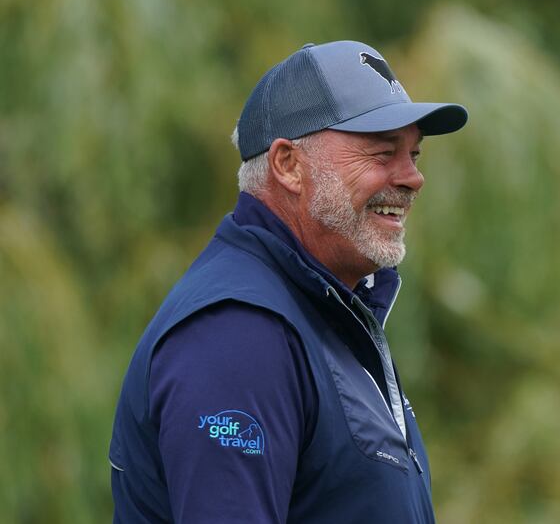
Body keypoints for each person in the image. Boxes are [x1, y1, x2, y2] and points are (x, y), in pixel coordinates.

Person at [109, 40, 467, 523]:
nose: (412, 178)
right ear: (288, 166)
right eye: (383, 153)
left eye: (414, 155)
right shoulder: (237, 332)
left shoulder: (322, 311)